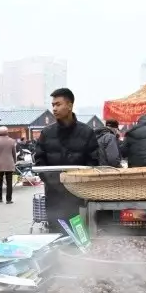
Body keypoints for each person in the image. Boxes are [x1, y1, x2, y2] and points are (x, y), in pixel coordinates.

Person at [34, 88, 100, 225]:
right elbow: (40, 162)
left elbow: (93, 162)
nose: (54, 109)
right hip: (54, 196)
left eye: (58, 104)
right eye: (53, 105)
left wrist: (76, 182)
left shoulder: (86, 132)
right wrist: (56, 182)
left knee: (81, 235)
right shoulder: (47, 133)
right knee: (56, 237)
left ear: (69, 105)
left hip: (79, 196)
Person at [0, 126, 17, 203]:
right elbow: (14, 153)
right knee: (9, 183)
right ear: (7, 132)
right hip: (9, 163)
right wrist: (14, 161)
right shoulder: (12, 141)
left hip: (0, 164)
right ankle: (9, 199)